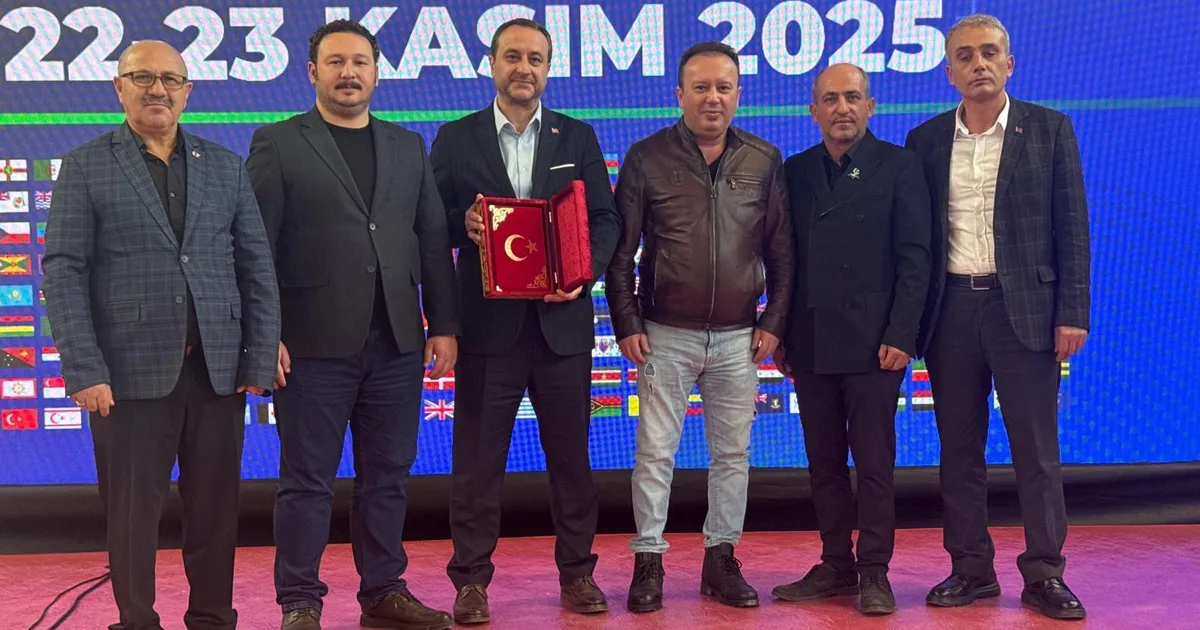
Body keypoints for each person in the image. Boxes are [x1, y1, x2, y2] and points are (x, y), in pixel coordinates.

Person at [41, 40, 279, 630]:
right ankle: (137, 620)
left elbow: (256, 266)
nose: (158, 89)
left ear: (187, 92)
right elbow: (64, 271)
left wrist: (257, 357)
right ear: (118, 88)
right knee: (131, 516)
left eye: (171, 79)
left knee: (216, 513)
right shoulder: (85, 165)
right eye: (143, 77)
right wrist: (84, 368)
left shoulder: (224, 165)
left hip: (217, 372)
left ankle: (213, 618)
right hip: (126, 375)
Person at [245, 20, 460, 630]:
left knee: (388, 478)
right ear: (313, 72)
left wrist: (443, 324)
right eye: (336, 62)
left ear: (376, 72)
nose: (349, 73)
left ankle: (383, 592)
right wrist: (264, 333)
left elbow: (430, 239)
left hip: (397, 341)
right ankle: (299, 602)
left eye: (360, 62)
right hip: (309, 345)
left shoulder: (407, 145)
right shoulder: (277, 143)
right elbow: (255, 246)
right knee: (306, 482)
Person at [428, 18, 621, 625]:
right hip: (488, 331)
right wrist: (463, 223)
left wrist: (583, 275)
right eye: (512, 56)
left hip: (562, 328)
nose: (524, 68)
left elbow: (606, 220)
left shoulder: (577, 136)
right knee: (477, 465)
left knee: (572, 463)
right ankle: (470, 582)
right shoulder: (455, 138)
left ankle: (578, 574)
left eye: (535, 58)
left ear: (548, 68)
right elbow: (429, 222)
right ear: (491, 64)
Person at [904, 14, 1090, 620]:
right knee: (959, 452)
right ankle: (971, 570)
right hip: (951, 312)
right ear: (948, 71)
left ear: (1010, 64)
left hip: (1027, 313)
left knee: (1036, 452)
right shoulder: (925, 140)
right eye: (965, 55)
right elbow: (916, 240)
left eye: (989, 53)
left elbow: (1073, 229)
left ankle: (1045, 574)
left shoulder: (1050, 129)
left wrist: (1072, 312)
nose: (978, 64)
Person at [606, 41, 794, 613]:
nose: (713, 98)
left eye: (723, 87)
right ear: (679, 94)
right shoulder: (646, 157)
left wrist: (774, 320)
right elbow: (620, 254)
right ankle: (648, 561)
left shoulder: (763, 159)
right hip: (664, 333)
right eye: (701, 87)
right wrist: (626, 320)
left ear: (738, 94)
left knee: (732, 456)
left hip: (740, 338)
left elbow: (782, 254)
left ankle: (721, 559)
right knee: (654, 454)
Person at [769, 63, 930, 616]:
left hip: (875, 345)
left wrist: (902, 333)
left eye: (853, 97)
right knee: (824, 464)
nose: (843, 108)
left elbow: (916, 259)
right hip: (810, 342)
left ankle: (875, 571)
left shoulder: (901, 166)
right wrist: (782, 331)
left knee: (875, 465)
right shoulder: (795, 171)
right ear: (813, 110)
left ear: (871, 105)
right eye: (831, 99)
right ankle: (836, 563)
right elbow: (783, 260)